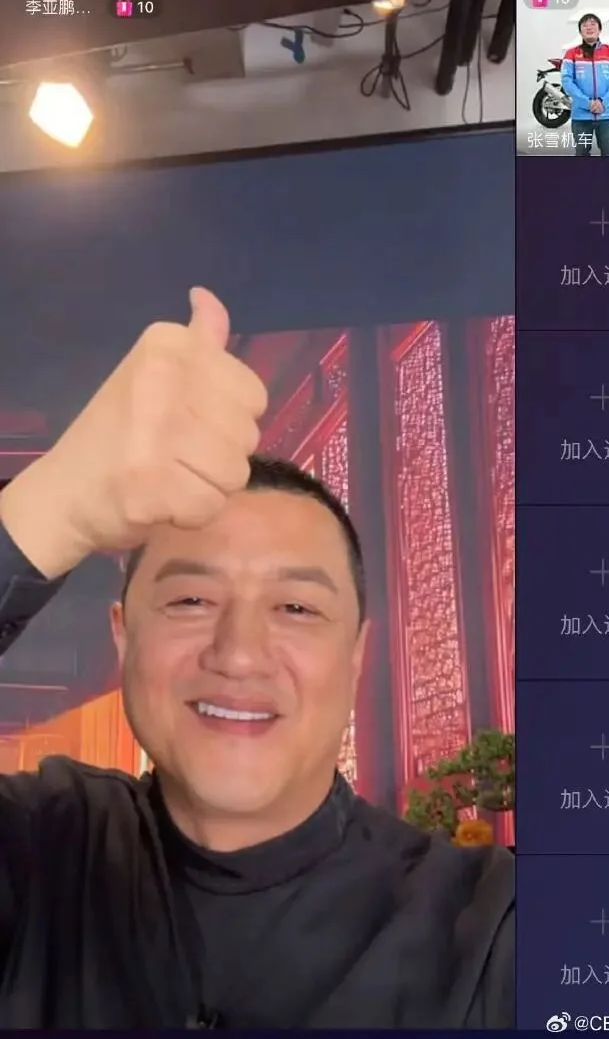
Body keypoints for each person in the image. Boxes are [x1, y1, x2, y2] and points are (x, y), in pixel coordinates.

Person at [0, 288, 514, 1029]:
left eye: (297, 608)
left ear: (356, 655)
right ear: (123, 636)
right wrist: (50, 510)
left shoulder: (489, 930)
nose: (239, 655)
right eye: (190, 600)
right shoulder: (37, 847)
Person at [561, 13, 609, 157]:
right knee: (581, 153)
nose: (589, 27)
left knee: (608, 152)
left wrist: (603, 102)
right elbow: (567, 81)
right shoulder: (571, 54)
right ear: (580, 31)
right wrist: (587, 103)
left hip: (606, 114)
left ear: (600, 29)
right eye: (584, 25)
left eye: (593, 24)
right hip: (581, 116)